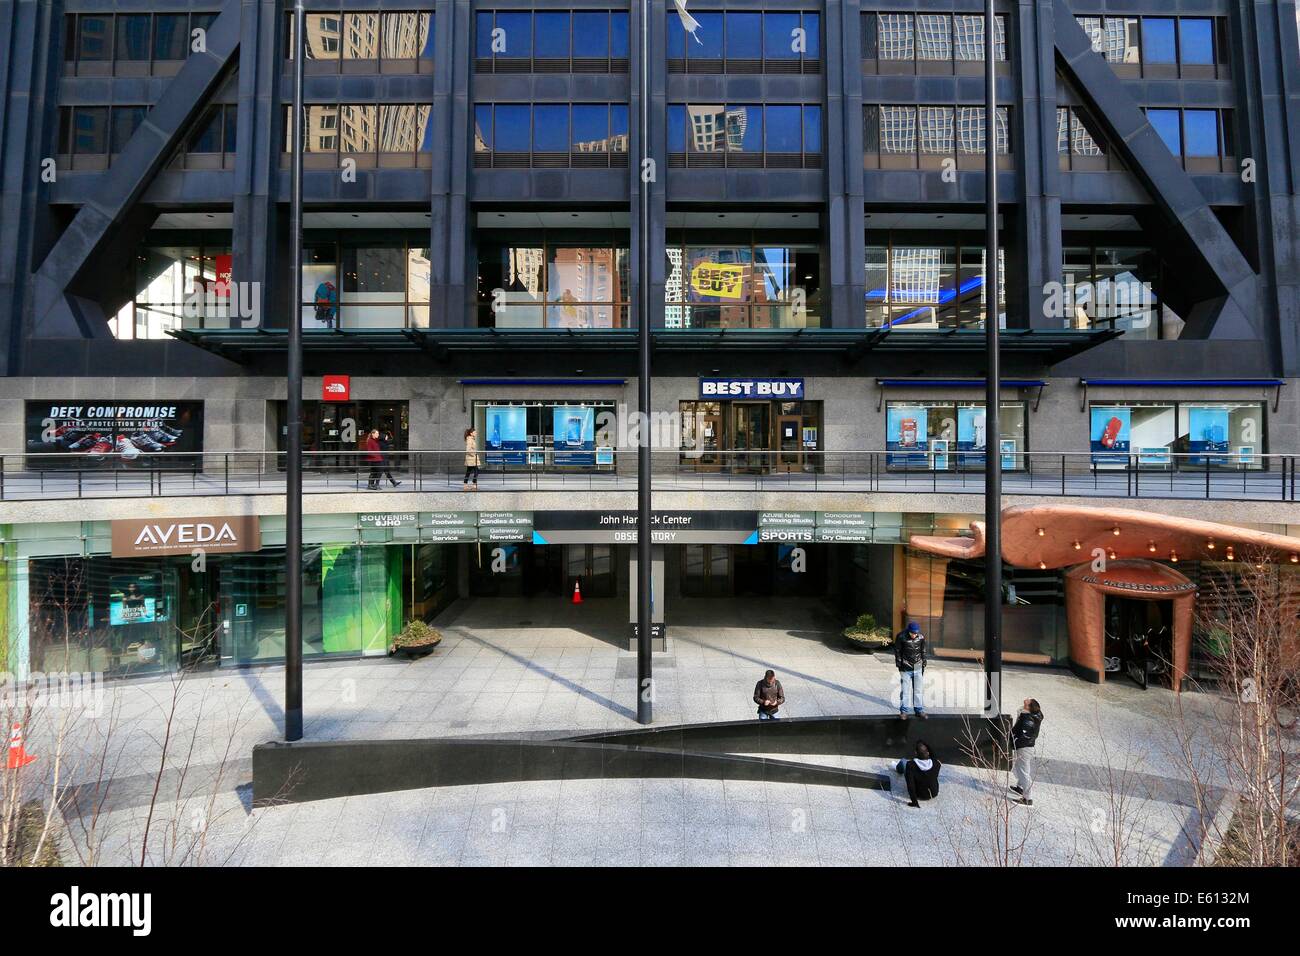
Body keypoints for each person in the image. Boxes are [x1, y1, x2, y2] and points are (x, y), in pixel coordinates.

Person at [1009, 698, 1044, 806]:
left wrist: (1014, 742)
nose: (1026, 700)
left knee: (1023, 771)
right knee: (1021, 768)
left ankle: (1028, 798)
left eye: (1028, 701)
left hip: (1024, 748)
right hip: (1027, 747)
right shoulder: (1033, 715)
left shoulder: (1027, 720)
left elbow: (1023, 737)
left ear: (1029, 707)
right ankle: (1020, 788)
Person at [894, 620, 927, 719]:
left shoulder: (921, 637)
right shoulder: (901, 636)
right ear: (908, 631)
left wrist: (924, 662)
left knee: (918, 690)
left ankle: (919, 710)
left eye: (916, 633)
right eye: (912, 633)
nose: (914, 635)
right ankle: (904, 711)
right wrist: (899, 665)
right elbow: (897, 651)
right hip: (905, 667)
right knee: (905, 691)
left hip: (917, 666)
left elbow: (923, 651)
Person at [894, 740, 941, 808]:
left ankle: (897, 768)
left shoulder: (911, 765)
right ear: (928, 753)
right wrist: (927, 745)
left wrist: (914, 802)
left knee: (903, 761)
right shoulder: (936, 764)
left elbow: (910, 785)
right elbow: (934, 757)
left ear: (916, 753)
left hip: (919, 794)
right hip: (934, 793)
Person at [463, 427, 480, 491]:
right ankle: (473, 485)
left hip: (471, 459)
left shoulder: (471, 439)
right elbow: (468, 450)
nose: (476, 433)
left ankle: (465, 485)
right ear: (471, 433)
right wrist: (473, 454)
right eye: (475, 432)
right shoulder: (470, 440)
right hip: (471, 458)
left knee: (469, 471)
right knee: (476, 471)